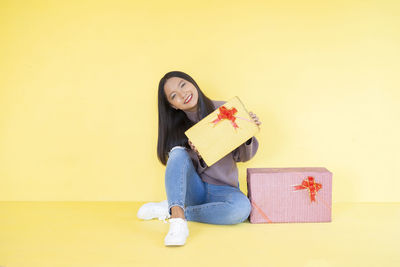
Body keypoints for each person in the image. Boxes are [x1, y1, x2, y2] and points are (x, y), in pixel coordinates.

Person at [137, 71, 261, 246]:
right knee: (178, 152)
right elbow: (180, 166)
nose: (182, 94)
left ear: (192, 83)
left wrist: (247, 132)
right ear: (173, 105)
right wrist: (198, 154)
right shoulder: (177, 129)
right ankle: (177, 220)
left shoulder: (224, 110)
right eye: (174, 96)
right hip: (194, 190)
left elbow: (241, 157)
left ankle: (174, 209)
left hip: (225, 190)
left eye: (183, 85)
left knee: (241, 209)